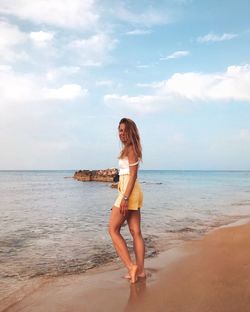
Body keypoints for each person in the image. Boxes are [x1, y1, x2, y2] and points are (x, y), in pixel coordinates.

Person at [108, 118, 145, 283]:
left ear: (131, 132)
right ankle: (141, 271)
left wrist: (124, 198)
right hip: (131, 192)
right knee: (135, 231)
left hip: (128, 193)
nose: (121, 134)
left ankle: (131, 267)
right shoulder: (129, 149)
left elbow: (133, 175)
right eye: (120, 130)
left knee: (112, 229)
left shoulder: (131, 150)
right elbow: (128, 176)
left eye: (124, 130)